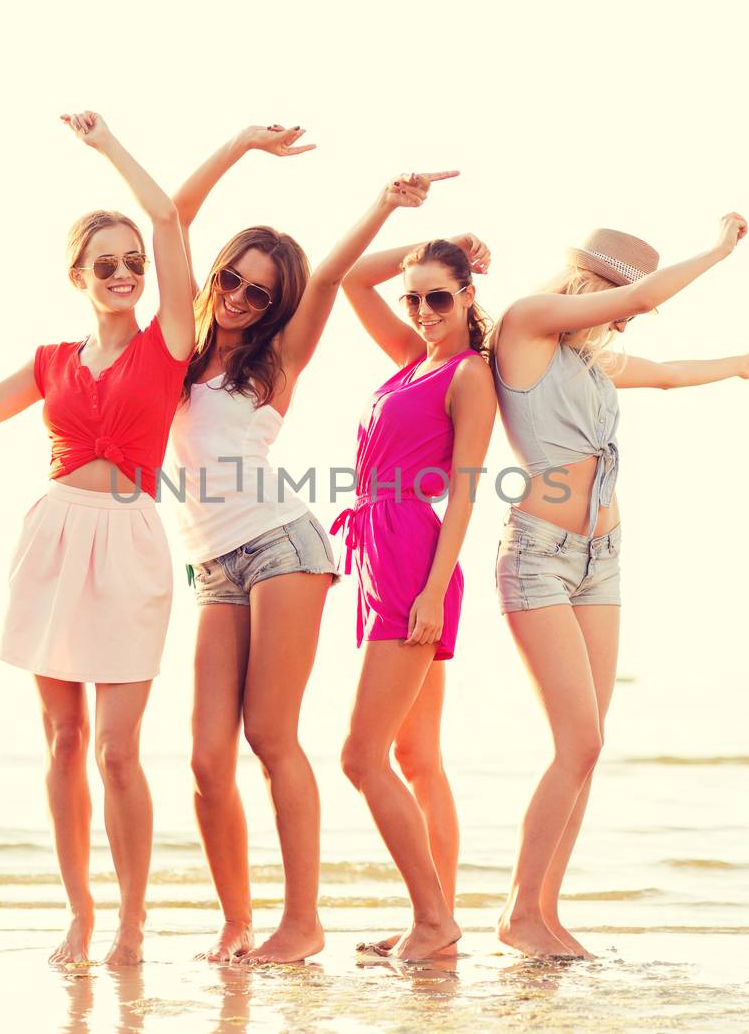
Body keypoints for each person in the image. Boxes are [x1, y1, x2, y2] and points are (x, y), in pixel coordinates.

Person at [171, 128, 453, 965]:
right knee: (204, 755)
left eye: (259, 294)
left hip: (282, 547)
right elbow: (173, 216)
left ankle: (302, 923)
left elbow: (329, 277)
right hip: (213, 562)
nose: (237, 298)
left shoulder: (277, 357)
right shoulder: (177, 350)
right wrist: (241, 148)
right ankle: (235, 922)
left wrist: (387, 205)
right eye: (231, 280)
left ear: (275, 307)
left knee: (270, 736)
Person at [0, 111, 194, 966]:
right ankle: (80, 914)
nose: (125, 274)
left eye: (132, 265)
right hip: (52, 538)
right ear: (78, 276)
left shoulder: (169, 344)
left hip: (129, 543)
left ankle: (132, 919)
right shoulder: (53, 358)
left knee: (119, 752)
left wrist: (107, 145)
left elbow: (169, 221)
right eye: (107, 266)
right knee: (63, 742)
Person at [489, 217, 749, 957]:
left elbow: (671, 373)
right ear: (588, 284)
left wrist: (736, 363)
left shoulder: (588, 361)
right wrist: (717, 251)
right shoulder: (527, 324)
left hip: (600, 556)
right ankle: (517, 914)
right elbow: (645, 301)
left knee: (589, 745)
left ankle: (544, 913)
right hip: (540, 556)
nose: (621, 314)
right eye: (615, 298)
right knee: (575, 739)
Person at [333, 213, 498, 960]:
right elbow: (349, 277)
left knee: (360, 757)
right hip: (378, 553)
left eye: (439, 298)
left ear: (467, 298)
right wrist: (447, 240)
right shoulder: (410, 360)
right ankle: (436, 923)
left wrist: (432, 592)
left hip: (413, 560)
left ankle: (434, 921)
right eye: (415, 301)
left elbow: (464, 491)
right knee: (416, 758)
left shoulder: (469, 374)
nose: (425, 313)